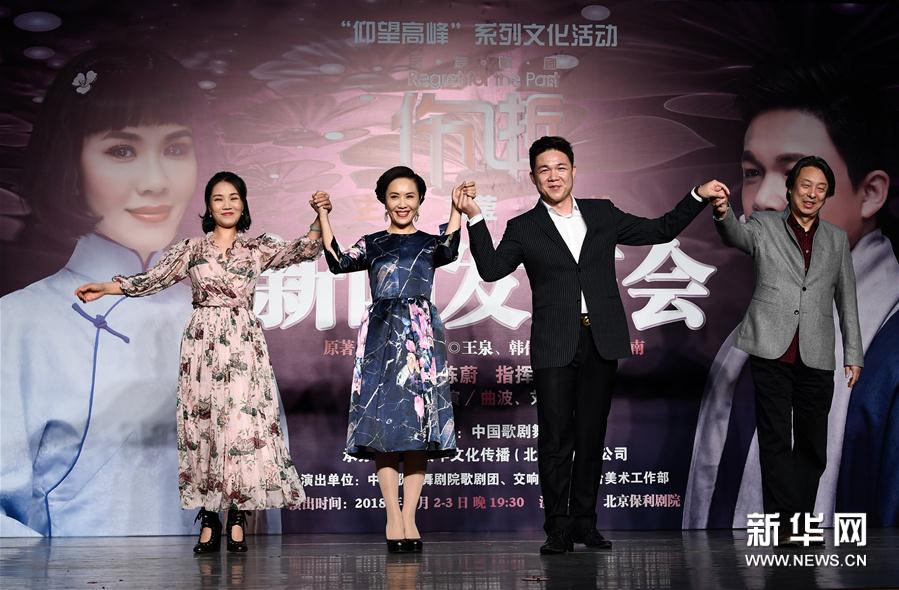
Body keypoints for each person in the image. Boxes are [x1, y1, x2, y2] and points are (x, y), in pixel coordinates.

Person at [452, 135, 726, 554]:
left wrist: (697, 195)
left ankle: (585, 523)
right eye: (544, 170)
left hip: (601, 339)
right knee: (556, 440)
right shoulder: (524, 227)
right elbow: (490, 269)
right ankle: (557, 528)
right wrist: (474, 217)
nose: (553, 176)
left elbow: (660, 229)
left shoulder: (602, 213)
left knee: (591, 436)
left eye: (560, 167)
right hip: (554, 344)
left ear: (574, 172)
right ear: (533, 178)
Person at [1, 45, 211, 537]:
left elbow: (262, 500)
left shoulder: (223, 317)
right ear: (70, 163)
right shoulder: (17, 323)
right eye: (122, 150)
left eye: (176, 149)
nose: (156, 182)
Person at [683, 62, 899, 530]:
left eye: (794, 173)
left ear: (870, 193)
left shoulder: (890, 360)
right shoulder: (741, 344)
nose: (762, 198)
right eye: (752, 172)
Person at [73, 171, 324, 552]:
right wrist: (108, 287)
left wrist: (320, 214)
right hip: (202, 346)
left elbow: (304, 248)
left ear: (244, 204)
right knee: (204, 429)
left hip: (242, 344)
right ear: (208, 206)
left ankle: (237, 515)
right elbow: (153, 279)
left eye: (234, 197)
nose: (227, 204)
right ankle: (208, 516)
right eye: (219, 198)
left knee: (241, 428)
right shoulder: (191, 249)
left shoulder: (257, 248)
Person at [314, 166, 470, 553]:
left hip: (421, 340)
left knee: (418, 431)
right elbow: (338, 261)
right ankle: (393, 516)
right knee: (384, 431)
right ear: (383, 201)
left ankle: (410, 517)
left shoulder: (428, 244)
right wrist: (324, 215)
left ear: (420, 201)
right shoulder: (373, 243)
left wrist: (456, 209)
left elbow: (450, 248)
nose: (402, 203)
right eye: (395, 196)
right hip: (381, 340)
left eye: (409, 196)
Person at [708, 156, 863, 546]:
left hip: (817, 351)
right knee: (775, 440)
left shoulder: (836, 239)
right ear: (791, 187)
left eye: (820, 189)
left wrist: (853, 353)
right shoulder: (764, 225)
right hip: (770, 349)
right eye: (805, 185)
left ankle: (800, 523)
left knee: (812, 445)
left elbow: (847, 299)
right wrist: (723, 213)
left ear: (826, 196)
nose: (812, 194)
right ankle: (786, 526)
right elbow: (736, 237)